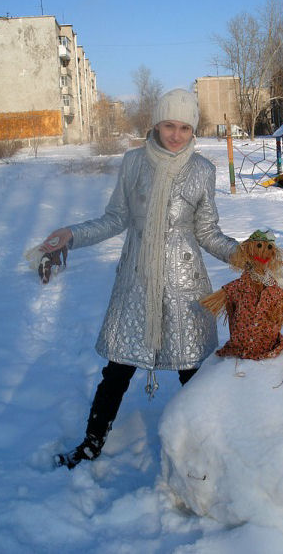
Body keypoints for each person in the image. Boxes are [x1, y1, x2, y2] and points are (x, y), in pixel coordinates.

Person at [36, 88, 239, 469]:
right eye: (169, 125)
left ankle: (209, 454)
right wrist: (72, 234)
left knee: (193, 374)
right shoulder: (133, 163)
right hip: (137, 282)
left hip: (184, 287)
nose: (176, 135)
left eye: (184, 127)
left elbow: (207, 231)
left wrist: (242, 255)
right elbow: (115, 218)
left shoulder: (202, 170)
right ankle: (91, 445)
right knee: (117, 370)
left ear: (193, 130)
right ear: (156, 124)